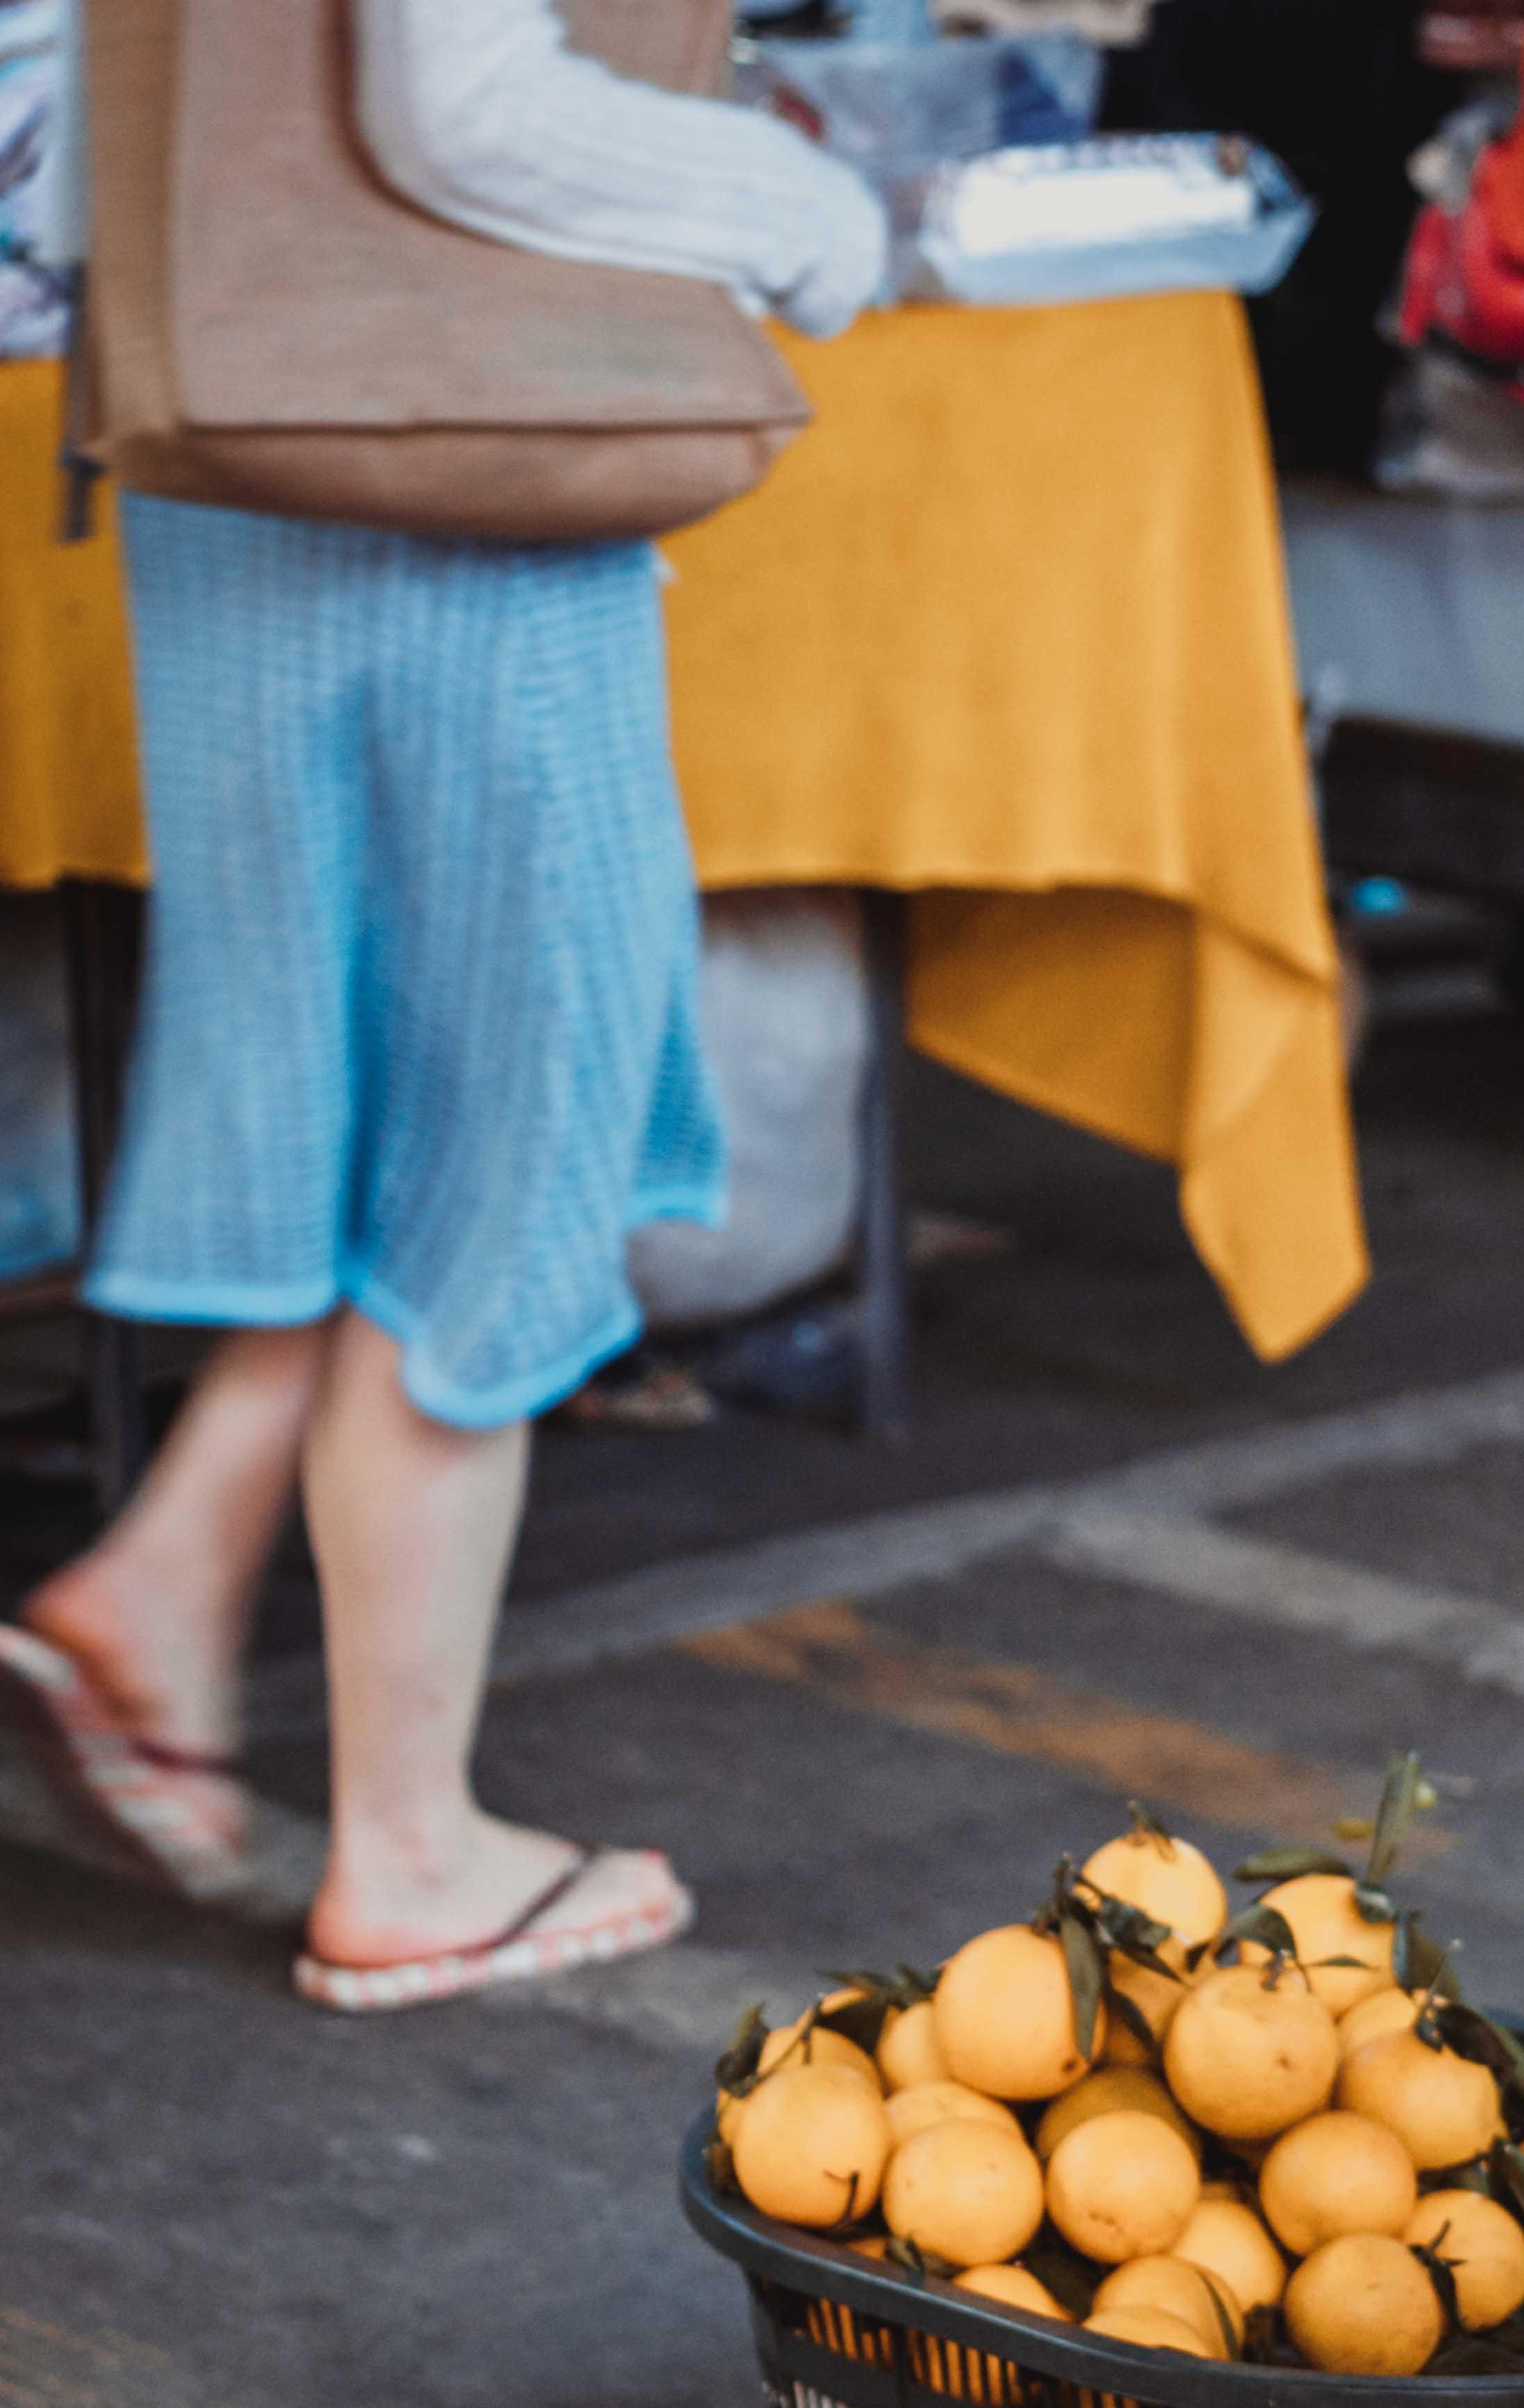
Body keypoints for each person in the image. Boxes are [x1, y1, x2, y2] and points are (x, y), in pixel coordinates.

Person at [0, 0, 880, 2004]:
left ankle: (166, 1579)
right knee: (512, 1124)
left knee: (365, 1082)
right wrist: (810, 210)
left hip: (236, 431)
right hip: (441, 465)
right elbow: (464, 104)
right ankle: (407, 1845)